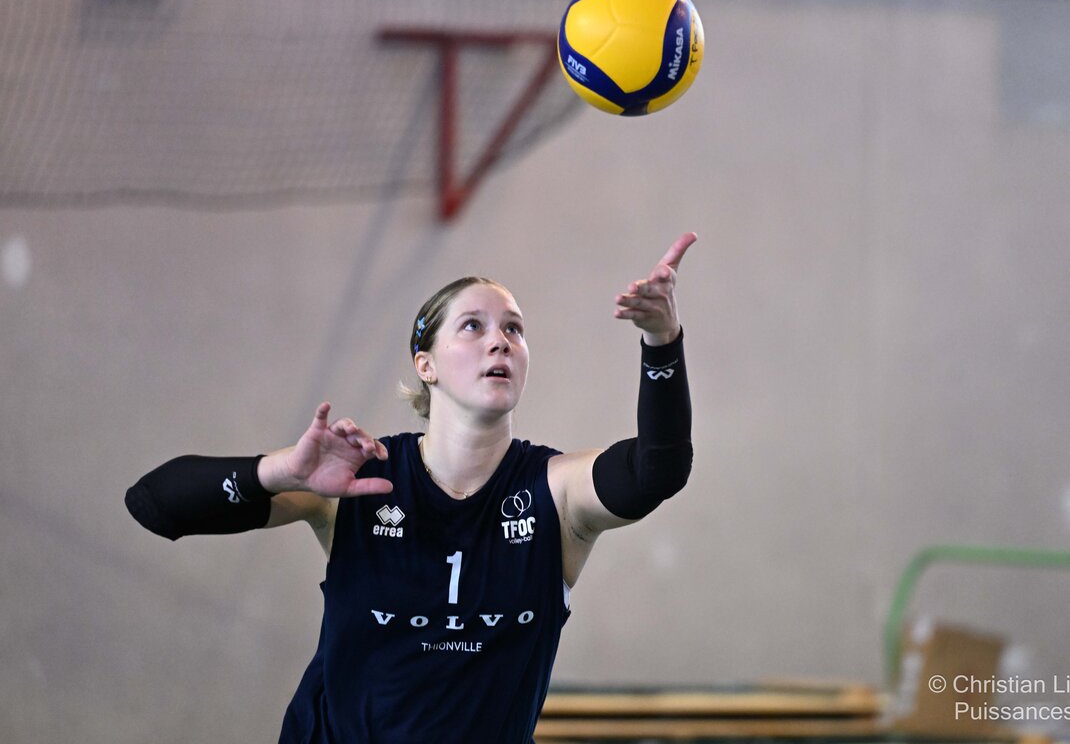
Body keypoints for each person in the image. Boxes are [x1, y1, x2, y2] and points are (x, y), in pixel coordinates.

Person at [125, 232, 698, 742]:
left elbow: (657, 471)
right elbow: (154, 504)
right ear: (426, 365)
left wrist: (662, 339)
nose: (500, 341)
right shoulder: (359, 481)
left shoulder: (555, 490)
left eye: (514, 329)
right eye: (472, 326)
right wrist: (279, 473)